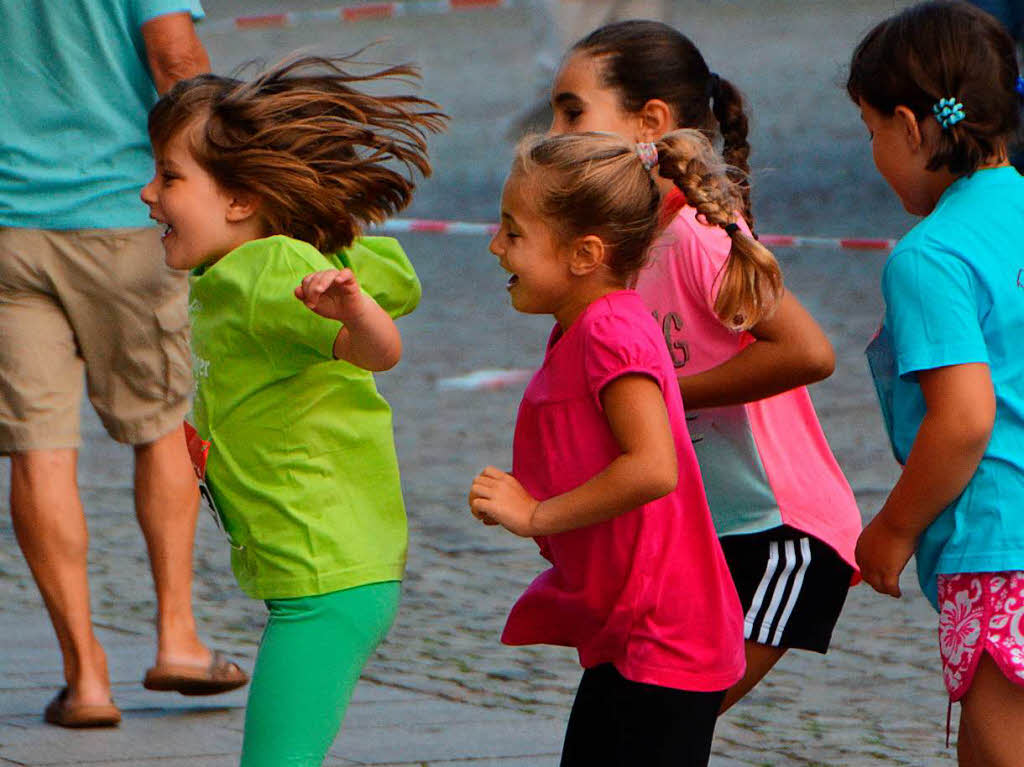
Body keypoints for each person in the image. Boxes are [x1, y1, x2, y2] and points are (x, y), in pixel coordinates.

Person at [546, 20, 863, 713]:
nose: (553, 130)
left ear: (648, 122)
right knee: (619, 722)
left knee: (659, 726)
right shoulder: (619, 251)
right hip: (694, 537)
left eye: (572, 110)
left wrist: (668, 392)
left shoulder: (695, 234)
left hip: (777, 538)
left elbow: (809, 351)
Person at [141, 57, 445, 766]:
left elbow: (380, 351)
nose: (148, 192)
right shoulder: (233, 270)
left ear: (241, 198)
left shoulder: (268, 271)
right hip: (318, 574)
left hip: (327, 577)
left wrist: (355, 309)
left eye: (170, 176)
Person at [0, 0, 248, 729]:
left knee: (38, 446)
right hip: (125, 215)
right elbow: (174, 57)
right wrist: (222, 178)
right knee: (161, 423)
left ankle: (85, 677)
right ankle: (177, 635)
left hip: (9, 222)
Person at [469, 131, 745, 767]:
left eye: (513, 232)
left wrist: (536, 513)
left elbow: (652, 468)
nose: (494, 245)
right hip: (632, 632)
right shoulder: (586, 325)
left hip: (664, 637)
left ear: (584, 253)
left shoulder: (612, 330)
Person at [847, 2, 1024, 763]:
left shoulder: (930, 255)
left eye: (872, 132)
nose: (876, 154)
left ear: (912, 127)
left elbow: (961, 420)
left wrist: (891, 528)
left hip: (996, 542)